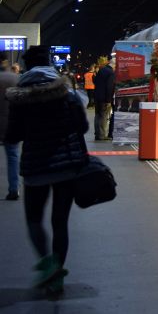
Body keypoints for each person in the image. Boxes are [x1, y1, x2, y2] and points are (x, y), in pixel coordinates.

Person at [4, 45, 89, 295]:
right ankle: (57, 273)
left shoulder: (21, 97)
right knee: (59, 222)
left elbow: (14, 135)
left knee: (33, 220)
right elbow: (83, 127)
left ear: (27, 67)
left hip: (35, 168)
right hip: (66, 167)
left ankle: (47, 264)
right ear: (50, 63)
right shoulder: (68, 94)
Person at [0, 55, 21, 200]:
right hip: (11, 124)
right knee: (13, 156)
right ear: (5, 62)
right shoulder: (15, 79)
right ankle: (14, 189)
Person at [93, 56, 115, 140]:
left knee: (97, 115)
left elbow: (96, 82)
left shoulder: (101, 70)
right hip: (104, 98)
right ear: (114, 65)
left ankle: (97, 134)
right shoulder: (110, 73)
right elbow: (109, 87)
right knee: (103, 116)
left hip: (97, 96)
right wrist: (109, 100)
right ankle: (102, 136)